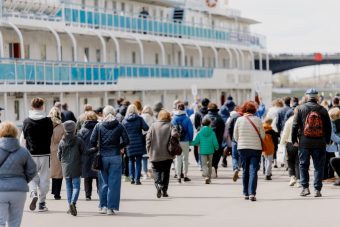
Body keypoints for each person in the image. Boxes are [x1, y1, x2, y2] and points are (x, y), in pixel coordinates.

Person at [292, 88, 332, 197]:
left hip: (304, 142)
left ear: (307, 96)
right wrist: (327, 141)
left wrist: (294, 140)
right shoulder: (323, 110)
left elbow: (295, 125)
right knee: (318, 166)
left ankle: (305, 188)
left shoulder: (300, 109)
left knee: (303, 165)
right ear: (317, 97)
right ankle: (317, 189)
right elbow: (328, 127)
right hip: (320, 142)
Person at [91, 106, 129, 215]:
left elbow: (92, 141)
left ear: (104, 114)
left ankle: (103, 206)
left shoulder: (98, 125)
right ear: (114, 113)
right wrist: (119, 146)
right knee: (114, 183)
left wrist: (99, 147)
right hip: (116, 156)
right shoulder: (119, 125)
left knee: (103, 182)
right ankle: (111, 208)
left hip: (103, 156)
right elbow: (127, 141)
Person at [0, 122, 37, 227]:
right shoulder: (23, 151)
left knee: (0, 221)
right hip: (19, 190)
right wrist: (23, 180)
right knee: (15, 222)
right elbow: (32, 169)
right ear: (15, 133)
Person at [21, 97, 53, 212]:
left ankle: (33, 192)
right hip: (45, 153)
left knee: (32, 176)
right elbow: (50, 136)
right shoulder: (48, 121)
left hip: (31, 154)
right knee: (44, 178)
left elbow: (23, 139)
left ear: (32, 106)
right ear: (42, 106)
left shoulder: (26, 121)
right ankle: (42, 203)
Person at [234, 101, 264, 201]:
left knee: (245, 170)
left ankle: (245, 193)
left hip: (242, 148)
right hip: (256, 148)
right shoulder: (258, 120)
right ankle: (252, 193)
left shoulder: (239, 120)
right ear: (254, 110)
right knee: (253, 170)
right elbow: (263, 136)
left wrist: (241, 142)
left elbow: (235, 136)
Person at [58, 121, 86, 216]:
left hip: (65, 166)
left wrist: (63, 162)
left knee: (69, 187)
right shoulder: (78, 140)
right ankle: (73, 203)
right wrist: (95, 149)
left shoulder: (62, 141)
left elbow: (59, 155)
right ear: (74, 129)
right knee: (76, 186)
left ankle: (70, 206)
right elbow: (84, 151)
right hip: (76, 165)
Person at [146, 110, 176, 198]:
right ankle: (164, 191)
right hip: (167, 154)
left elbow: (148, 139)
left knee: (156, 170)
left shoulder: (153, 126)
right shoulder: (170, 125)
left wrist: (148, 150)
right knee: (166, 172)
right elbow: (175, 135)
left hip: (154, 153)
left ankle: (158, 184)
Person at [122, 104, 149, 185]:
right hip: (139, 142)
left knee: (130, 161)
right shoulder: (139, 119)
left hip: (129, 143)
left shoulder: (124, 120)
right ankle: (137, 179)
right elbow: (146, 128)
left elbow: (122, 133)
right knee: (138, 161)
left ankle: (132, 179)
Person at [78, 111, 99, 201]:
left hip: (85, 155)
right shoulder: (99, 128)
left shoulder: (82, 130)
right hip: (97, 154)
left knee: (87, 176)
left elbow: (78, 143)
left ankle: (88, 195)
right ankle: (100, 192)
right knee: (99, 176)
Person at [190, 118, 219, 184]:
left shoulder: (199, 132)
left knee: (204, 164)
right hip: (211, 151)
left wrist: (189, 143)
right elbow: (215, 141)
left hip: (202, 151)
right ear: (209, 124)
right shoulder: (212, 132)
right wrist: (216, 147)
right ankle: (209, 178)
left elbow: (196, 142)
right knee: (210, 164)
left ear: (202, 124)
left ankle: (205, 176)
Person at [172, 102, 194, 183]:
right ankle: (185, 176)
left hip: (177, 141)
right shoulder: (187, 118)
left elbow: (171, 130)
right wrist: (190, 139)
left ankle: (178, 176)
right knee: (185, 158)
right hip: (185, 140)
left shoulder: (174, 118)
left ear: (177, 108)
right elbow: (190, 130)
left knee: (178, 159)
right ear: (184, 108)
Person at [280, 108, 300, 187]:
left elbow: (285, 133)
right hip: (300, 143)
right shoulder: (303, 119)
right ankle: (299, 180)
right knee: (298, 162)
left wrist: (281, 143)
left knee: (290, 161)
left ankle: (292, 177)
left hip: (290, 143)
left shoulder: (289, 120)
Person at [204, 103, 225, 178]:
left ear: (209, 109)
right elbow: (222, 131)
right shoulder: (220, 118)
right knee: (216, 155)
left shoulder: (205, 117)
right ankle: (214, 168)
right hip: (217, 141)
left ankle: (208, 169)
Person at [48, 107, 65, 200]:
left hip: (47, 150)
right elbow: (65, 139)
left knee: (46, 172)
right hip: (58, 150)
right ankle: (56, 193)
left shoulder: (46, 125)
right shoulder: (62, 126)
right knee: (58, 173)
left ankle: (42, 192)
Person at [227, 106, 243, 182]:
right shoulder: (244, 117)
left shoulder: (234, 117)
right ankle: (238, 169)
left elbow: (229, 128)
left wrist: (231, 137)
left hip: (234, 139)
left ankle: (235, 168)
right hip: (242, 140)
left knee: (234, 156)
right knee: (240, 155)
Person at [141, 105, 155, 179]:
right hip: (151, 137)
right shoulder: (152, 118)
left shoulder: (141, 117)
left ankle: (145, 172)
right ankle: (151, 171)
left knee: (144, 157)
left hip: (142, 138)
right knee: (151, 156)